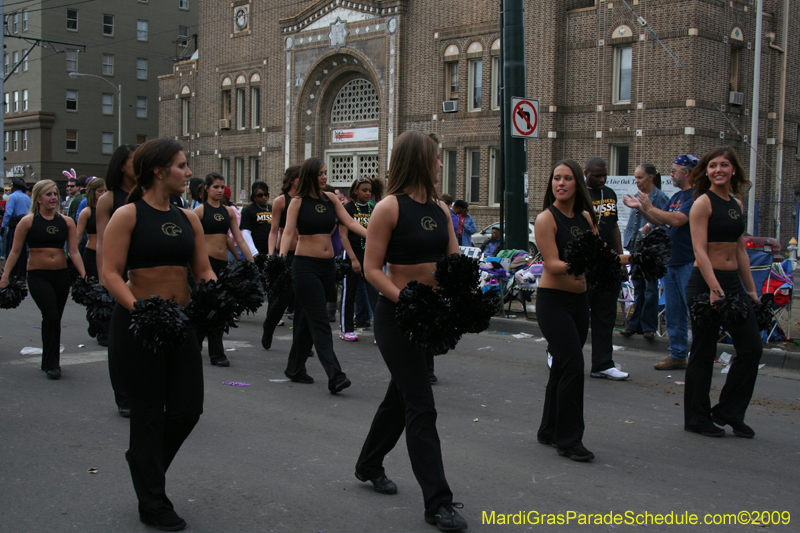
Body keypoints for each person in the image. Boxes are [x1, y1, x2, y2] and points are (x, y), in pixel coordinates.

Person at [356, 131, 467, 532]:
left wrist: (468, 293)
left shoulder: (439, 208)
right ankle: (437, 502)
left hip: (430, 317)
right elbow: (371, 269)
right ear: (420, 160)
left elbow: (454, 260)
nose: (440, 164)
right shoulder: (388, 207)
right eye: (436, 158)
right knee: (421, 404)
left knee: (400, 400)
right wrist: (407, 300)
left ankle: (368, 463)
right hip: (397, 317)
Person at [103, 138, 212, 531]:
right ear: (159, 170)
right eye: (182, 166)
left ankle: (143, 462)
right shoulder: (128, 215)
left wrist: (218, 293)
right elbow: (111, 274)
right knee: (148, 415)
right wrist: (141, 310)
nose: (188, 173)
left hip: (181, 324)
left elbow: (203, 270)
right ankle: (153, 502)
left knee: (188, 409)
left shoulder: (190, 218)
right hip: (139, 326)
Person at [535, 159, 630, 462]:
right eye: (556, 179)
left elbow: (601, 254)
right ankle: (569, 440)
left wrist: (626, 259)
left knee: (563, 368)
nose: (560, 183)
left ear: (577, 183)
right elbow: (552, 264)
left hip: (579, 302)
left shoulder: (586, 217)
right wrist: (589, 264)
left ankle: (549, 429)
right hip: (553, 302)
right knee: (574, 366)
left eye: (566, 178)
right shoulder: (545, 219)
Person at [683, 147, 762, 438]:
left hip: (732, 284)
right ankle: (696, 417)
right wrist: (715, 289)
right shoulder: (702, 203)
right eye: (713, 165)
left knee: (752, 348)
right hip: (705, 284)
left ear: (733, 170)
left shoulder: (737, 203)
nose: (718, 170)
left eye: (724, 165)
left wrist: (751, 290)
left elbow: (740, 248)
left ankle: (729, 410)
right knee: (703, 351)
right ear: (706, 171)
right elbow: (699, 251)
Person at [280, 158, 366, 392]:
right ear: (309, 175)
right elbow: (288, 232)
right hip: (305, 266)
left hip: (328, 267)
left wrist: (374, 236)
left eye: (325, 173)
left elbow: (349, 221)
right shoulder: (297, 202)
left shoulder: (330, 199)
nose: (324, 177)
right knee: (320, 321)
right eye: (320, 173)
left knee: (309, 319)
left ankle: (294, 368)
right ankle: (335, 375)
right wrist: (279, 258)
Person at [0, 180, 86, 380]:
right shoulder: (27, 221)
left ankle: (49, 361)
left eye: (55, 194)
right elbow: (15, 251)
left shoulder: (66, 222)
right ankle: (52, 364)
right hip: (38, 276)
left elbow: (73, 251)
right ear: (38, 198)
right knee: (51, 314)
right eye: (48, 194)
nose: (53, 198)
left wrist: (84, 276)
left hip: (61, 276)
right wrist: (5, 277)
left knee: (54, 320)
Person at [623, 155, 698, 370]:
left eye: (675, 170)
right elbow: (661, 221)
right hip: (671, 261)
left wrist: (648, 205)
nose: (671, 174)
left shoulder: (694, 197)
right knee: (674, 310)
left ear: (688, 173)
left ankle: (702, 352)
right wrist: (641, 208)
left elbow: (677, 220)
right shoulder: (676, 197)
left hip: (688, 262)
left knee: (692, 309)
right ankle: (677, 354)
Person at [193, 173, 254, 367]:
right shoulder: (199, 211)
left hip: (222, 265)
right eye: (215, 187)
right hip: (204, 264)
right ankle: (205, 351)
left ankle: (210, 351)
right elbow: (189, 238)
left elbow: (238, 239)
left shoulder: (228, 212)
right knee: (207, 307)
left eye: (222, 187)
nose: (219, 190)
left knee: (218, 308)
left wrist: (250, 262)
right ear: (207, 189)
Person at [96, 143, 137, 418]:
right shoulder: (108, 199)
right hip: (117, 272)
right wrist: (104, 277)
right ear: (122, 165)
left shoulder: (145, 195)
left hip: (142, 269)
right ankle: (123, 396)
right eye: (136, 160)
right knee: (119, 337)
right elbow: (101, 242)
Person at [584, 157, 629, 381]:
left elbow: (614, 228)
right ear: (586, 173)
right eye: (596, 176)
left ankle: (602, 364)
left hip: (610, 261)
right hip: (587, 262)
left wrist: (620, 258)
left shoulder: (609, 193)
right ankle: (558, 351)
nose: (602, 179)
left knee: (606, 315)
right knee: (580, 313)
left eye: (604, 175)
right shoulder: (579, 194)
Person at [621, 163, 669, 340]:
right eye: (635, 178)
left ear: (651, 177)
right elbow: (633, 224)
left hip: (651, 249)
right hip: (637, 247)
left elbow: (663, 221)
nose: (637, 181)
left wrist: (649, 227)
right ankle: (635, 324)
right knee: (638, 286)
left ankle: (648, 326)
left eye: (640, 177)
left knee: (650, 288)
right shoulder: (637, 196)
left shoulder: (660, 197)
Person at [261, 165, 301, 350]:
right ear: (293, 179)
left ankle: (300, 343)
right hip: (285, 255)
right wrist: (272, 256)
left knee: (301, 299)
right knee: (282, 298)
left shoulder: (305, 200)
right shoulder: (281, 201)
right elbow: (273, 231)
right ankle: (268, 327)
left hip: (303, 254)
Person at [338, 177, 379, 342]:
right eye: (364, 190)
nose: (368, 193)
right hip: (352, 254)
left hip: (369, 255)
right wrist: (353, 259)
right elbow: (343, 236)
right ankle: (346, 329)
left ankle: (380, 332)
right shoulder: (347, 209)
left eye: (370, 190)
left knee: (375, 292)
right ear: (355, 191)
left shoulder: (372, 209)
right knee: (350, 292)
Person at [76, 178, 109, 346]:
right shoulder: (87, 212)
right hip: (91, 253)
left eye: (105, 191)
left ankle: (104, 326)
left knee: (108, 291)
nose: (103, 194)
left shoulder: (111, 210)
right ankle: (97, 324)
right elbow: (77, 237)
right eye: (100, 191)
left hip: (108, 255)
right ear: (92, 193)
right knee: (96, 291)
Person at [1, 178, 32, 280]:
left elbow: (8, 213)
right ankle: (22, 273)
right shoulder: (27, 198)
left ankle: (12, 273)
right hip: (27, 226)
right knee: (23, 251)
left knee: (12, 249)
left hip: (15, 226)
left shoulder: (12, 197)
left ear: (14, 187)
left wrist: (3, 226)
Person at [239, 181, 271, 257]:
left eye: (266, 194)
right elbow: (245, 232)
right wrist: (254, 253)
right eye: (260, 195)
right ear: (254, 196)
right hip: (256, 251)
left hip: (271, 252)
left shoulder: (272, 209)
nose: (264, 197)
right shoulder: (248, 210)